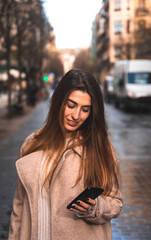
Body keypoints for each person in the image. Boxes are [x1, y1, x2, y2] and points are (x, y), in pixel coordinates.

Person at [8, 68, 123, 240]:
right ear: (59, 101)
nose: (76, 115)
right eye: (71, 105)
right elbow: (19, 206)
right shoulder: (32, 143)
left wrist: (94, 208)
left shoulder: (100, 147)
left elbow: (115, 202)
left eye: (85, 109)